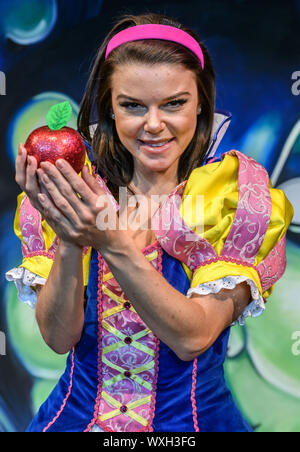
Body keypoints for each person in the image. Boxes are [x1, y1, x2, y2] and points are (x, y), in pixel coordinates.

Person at [6, 13, 293, 432]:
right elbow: (58, 338)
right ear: (109, 108)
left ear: (201, 103)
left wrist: (110, 242)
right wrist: (70, 236)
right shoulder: (80, 194)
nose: (154, 124)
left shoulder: (230, 201)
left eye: (174, 103)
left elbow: (192, 337)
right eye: (132, 106)